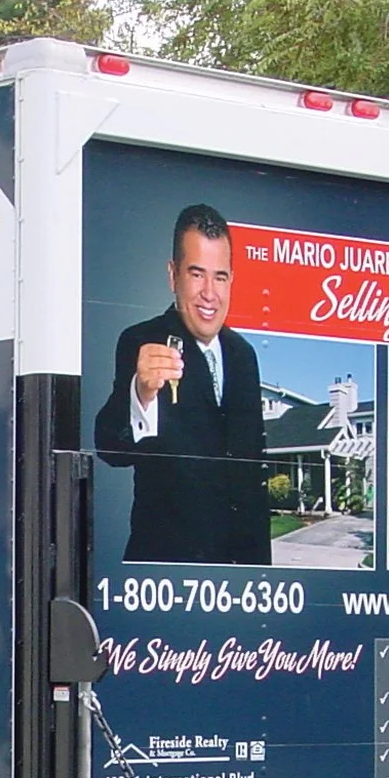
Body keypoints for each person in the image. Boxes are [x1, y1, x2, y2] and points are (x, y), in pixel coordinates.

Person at [93, 204, 271, 564]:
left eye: (220, 277)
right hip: (168, 572)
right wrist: (141, 395)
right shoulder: (141, 342)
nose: (209, 293)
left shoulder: (244, 355)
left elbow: (252, 476)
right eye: (196, 274)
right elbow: (110, 448)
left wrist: (262, 572)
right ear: (173, 275)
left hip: (243, 575)